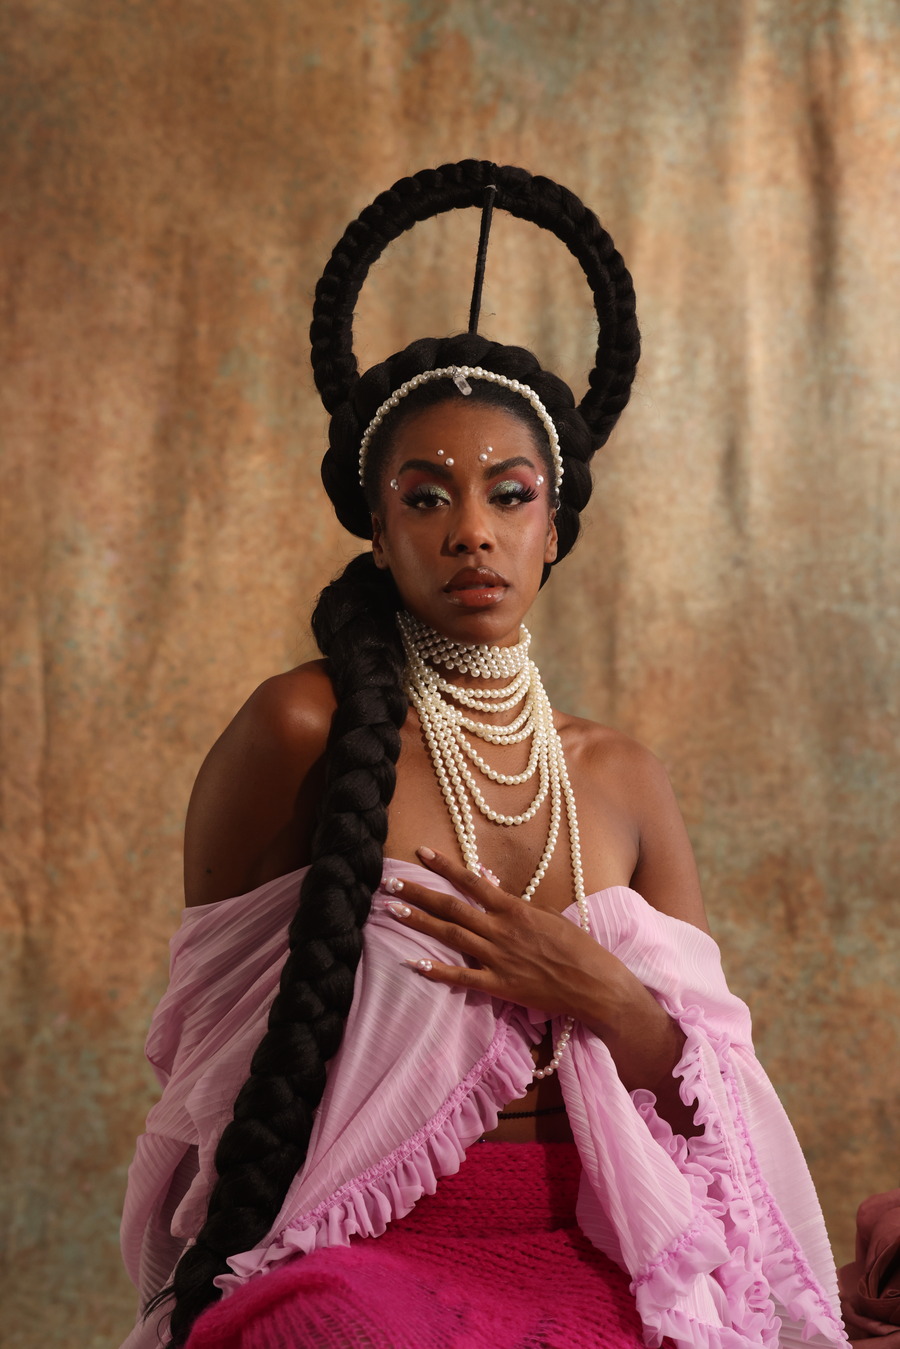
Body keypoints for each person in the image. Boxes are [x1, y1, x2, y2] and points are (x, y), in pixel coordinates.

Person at [119, 161, 850, 1349]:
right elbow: (210, 1058)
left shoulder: (620, 775)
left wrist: (600, 991)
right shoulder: (299, 729)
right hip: (366, 1244)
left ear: (554, 526)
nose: (471, 530)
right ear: (376, 527)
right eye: (425, 498)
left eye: (510, 495)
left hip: (607, 1237)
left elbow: (711, 1099)